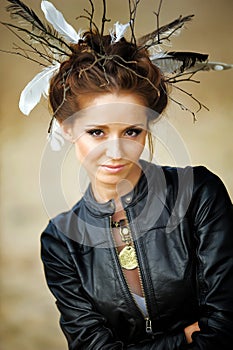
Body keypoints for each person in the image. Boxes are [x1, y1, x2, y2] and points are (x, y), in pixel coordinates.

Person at [3, 1, 233, 349]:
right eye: (97, 132)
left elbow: (224, 329)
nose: (115, 152)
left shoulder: (198, 195)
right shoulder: (61, 241)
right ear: (66, 129)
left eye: (131, 132)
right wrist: (181, 339)